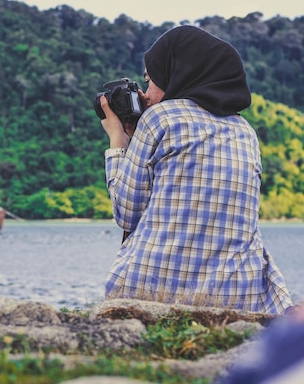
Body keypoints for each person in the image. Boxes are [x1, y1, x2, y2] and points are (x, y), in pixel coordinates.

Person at [99, 25, 292, 314]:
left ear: (177, 74)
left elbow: (126, 213)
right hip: (238, 294)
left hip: (150, 291)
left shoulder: (159, 118)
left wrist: (118, 140)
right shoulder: (245, 131)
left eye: (150, 81)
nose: (146, 94)